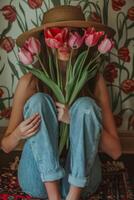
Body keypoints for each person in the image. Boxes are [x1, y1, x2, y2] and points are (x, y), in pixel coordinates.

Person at [1, 5, 121, 200]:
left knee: (85, 106)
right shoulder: (30, 82)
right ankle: (54, 197)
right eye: (57, 34)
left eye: (72, 34)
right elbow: (6, 146)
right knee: (39, 100)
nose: (64, 42)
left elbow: (115, 151)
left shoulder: (94, 80)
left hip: (81, 183)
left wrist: (75, 120)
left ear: (83, 39)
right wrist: (18, 133)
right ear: (45, 41)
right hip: (38, 180)